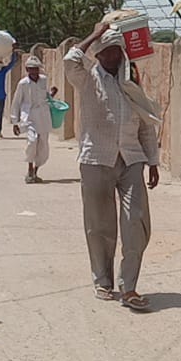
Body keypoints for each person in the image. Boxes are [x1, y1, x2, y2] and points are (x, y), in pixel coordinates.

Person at [65, 24, 161, 311]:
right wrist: (96, 34)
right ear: (98, 53)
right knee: (100, 225)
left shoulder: (131, 81)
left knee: (136, 221)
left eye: (116, 51)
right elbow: (70, 60)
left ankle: (129, 286)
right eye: (105, 51)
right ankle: (102, 280)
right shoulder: (87, 78)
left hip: (131, 159)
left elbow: (146, 123)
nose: (111, 57)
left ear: (122, 53)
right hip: (96, 159)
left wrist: (153, 161)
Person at [10, 55, 51, 184]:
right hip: (29, 116)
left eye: (36, 69)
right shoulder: (23, 84)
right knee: (32, 142)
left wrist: (52, 95)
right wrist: (15, 122)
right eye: (31, 69)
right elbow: (16, 102)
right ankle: (29, 170)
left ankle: (35, 171)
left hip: (43, 116)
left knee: (43, 145)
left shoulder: (44, 80)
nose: (34, 71)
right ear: (27, 69)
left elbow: (46, 97)